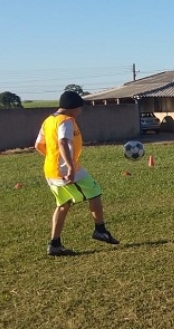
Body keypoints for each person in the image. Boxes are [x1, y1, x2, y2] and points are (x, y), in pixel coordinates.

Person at [35, 91, 120, 256]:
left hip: (51, 169)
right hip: (66, 170)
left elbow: (39, 145)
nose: (80, 111)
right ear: (72, 108)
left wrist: (53, 158)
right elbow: (63, 142)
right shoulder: (66, 121)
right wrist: (70, 167)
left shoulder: (49, 120)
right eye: (79, 108)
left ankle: (54, 244)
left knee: (63, 204)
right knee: (95, 192)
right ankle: (100, 230)